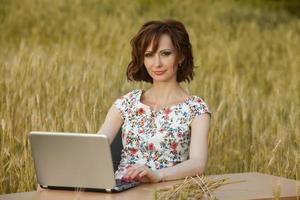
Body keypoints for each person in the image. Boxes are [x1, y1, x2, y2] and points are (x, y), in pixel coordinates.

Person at [97, 19, 211, 183]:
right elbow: (94, 147)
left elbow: (198, 164)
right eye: (149, 55)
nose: (157, 63)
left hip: (168, 192)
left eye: (165, 54)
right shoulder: (125, 103)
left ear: (180, 57)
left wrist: (157, 175)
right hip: (121, 192)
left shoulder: (196, 109)